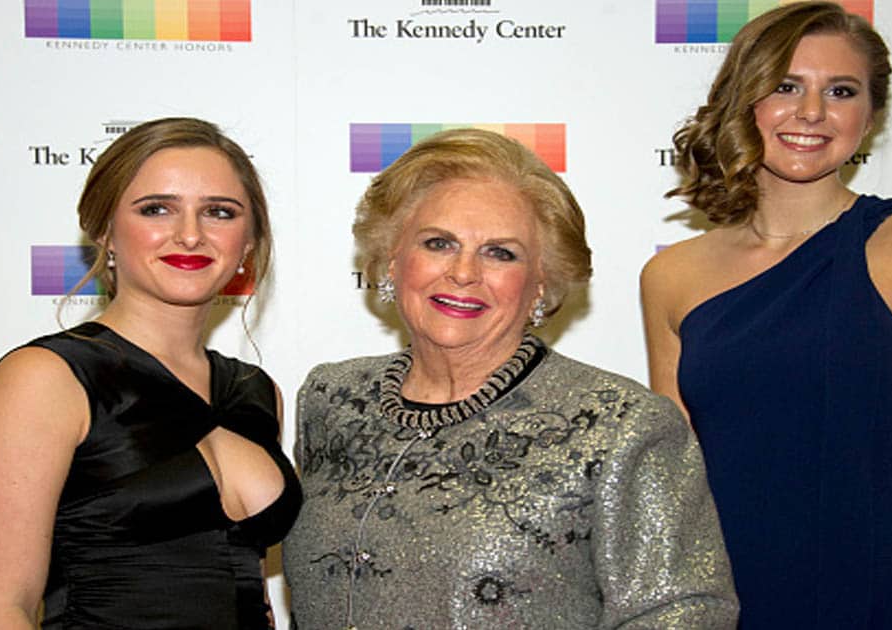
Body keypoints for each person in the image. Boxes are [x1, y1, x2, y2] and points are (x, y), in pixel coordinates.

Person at [283, 128, 738, 628]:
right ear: (393, 257)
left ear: (541, 281)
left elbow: (682, 614)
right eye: (438, 243)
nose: (462, 272)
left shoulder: (620, 425)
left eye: (501, 252)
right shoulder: (332, 399)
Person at [642, 3, 892, 628]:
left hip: (874, 594)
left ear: (870, 115)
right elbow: (678, 487)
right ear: (741, 99)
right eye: (785, 87)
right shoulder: (672, 276)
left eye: (840, 91)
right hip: (723, 599)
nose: (811, 112)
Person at [0, 117, 302, 629]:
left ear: (247, 242)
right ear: (104, 231)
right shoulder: (45, 379)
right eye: (157, 209)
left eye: (220, 212)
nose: (190, 234)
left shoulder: (253, 391)